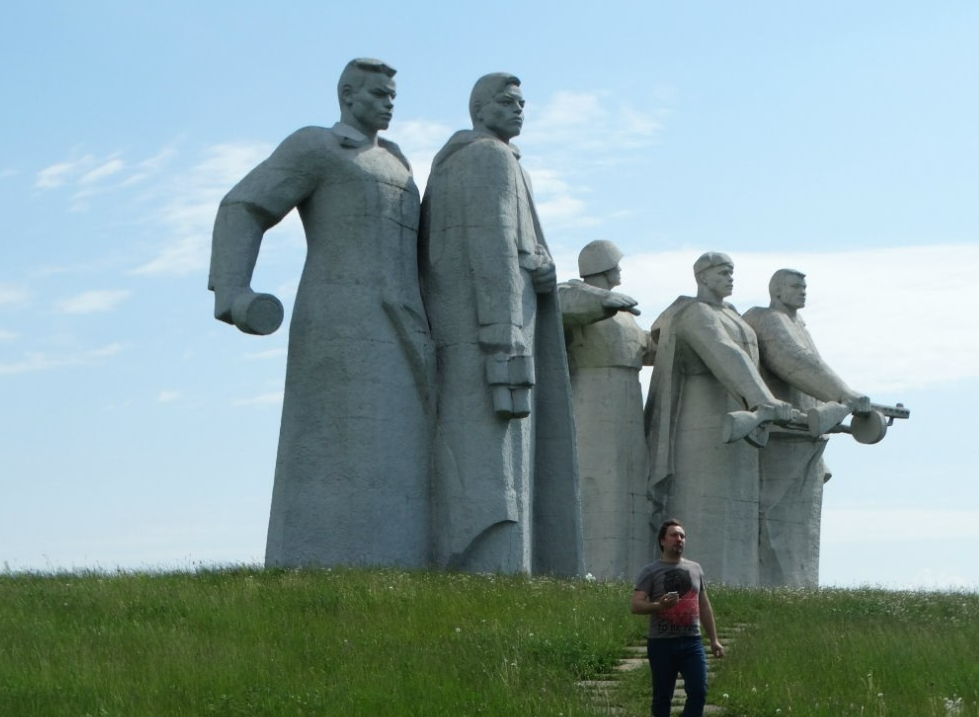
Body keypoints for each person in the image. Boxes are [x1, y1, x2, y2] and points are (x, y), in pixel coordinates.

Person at [208, 58, 433, 569]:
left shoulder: (397, 162)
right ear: (348, 96)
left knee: (397, 449)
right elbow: (244, 206)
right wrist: (234, 292)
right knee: (336, 443)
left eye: (392, 95)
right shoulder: (317, 146)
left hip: (405, 322)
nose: (388, 103)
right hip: (339, 317)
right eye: (377, 94)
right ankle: (318, 564)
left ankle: (399, 569)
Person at [419, 73, 582, 575]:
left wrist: (541, 264)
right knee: (495, 458)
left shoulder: (468, 161)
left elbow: (510, 246)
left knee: (490, 454)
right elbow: (490, 245)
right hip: (493, 335)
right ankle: (495, 570)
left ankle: (494, 566)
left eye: (522, 104)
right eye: (508, 102)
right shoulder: (488, 158)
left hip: (478, 329)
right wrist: (503, 331)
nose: (519, 111)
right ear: (479, 108)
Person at [644, 253, 790, 587]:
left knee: (740, 509)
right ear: (702, 276)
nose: (730, 278)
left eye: (732, 272)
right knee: (705, 504)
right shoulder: (693, 313)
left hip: (743, 420)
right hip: (702, 418)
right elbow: (725, 353)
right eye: (723, 272)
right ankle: (695, 582)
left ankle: (740, 587)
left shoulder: (733, 316)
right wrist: (763, 399)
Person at [743, 269, 870, 587]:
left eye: (804, 286)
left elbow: (810, 367)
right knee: (776, 518)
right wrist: (843, 394)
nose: (802, 291)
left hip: (806, 436)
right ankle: (779, 589)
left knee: (800, 522)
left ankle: (798, 590)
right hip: (782, 436)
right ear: (776, 290)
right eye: (795, 286)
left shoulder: (798, 324)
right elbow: (794, 361)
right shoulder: (769, 319)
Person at [557, 240, 654, 580]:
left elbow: (645, 348)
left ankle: (628, 573)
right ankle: (594, 569)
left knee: (630, 484)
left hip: (628, 396)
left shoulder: (626, 314)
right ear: (602, 266)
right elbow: (563, 301)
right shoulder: (576, 293)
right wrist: (603, 301)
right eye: (615, 264)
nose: (620, 269)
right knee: (598, 481)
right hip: (593, 395)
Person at [630, 518, 725, 717]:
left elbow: (704, 606)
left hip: (692, 642)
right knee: (663, 696)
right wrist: (658, 605)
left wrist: (714, 639)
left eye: (682, 536)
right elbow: (636, 605)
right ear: (663, 541)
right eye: (674, 535)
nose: (679, 539)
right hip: (661, 643)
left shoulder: (695, 569)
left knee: (699, 691)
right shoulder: (651, 571)